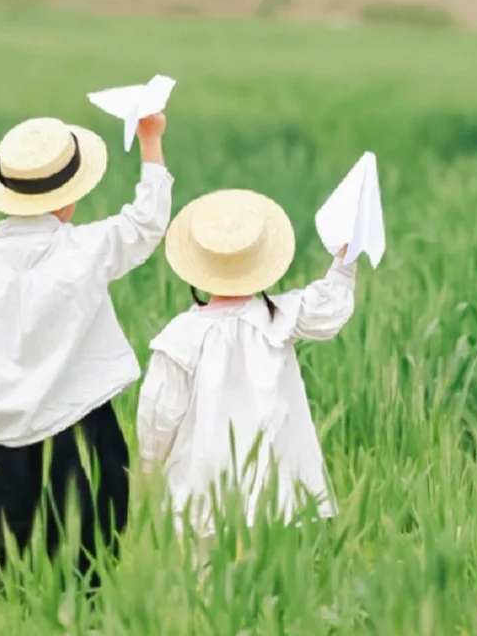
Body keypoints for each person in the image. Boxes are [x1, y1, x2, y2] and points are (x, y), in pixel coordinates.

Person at [0, 110, 172, 586]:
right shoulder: (86, 248)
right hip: (83, 429)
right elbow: (146, 223)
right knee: (90, 563)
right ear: (69, 200)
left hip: (8, 441)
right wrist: (150, 139)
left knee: (5, 568)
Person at [136, 188, 355, 536]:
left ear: (199, 267)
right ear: (260, 263)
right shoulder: (278, 317)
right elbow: (330, 304)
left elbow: (159, 413)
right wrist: (345, 256)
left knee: (204, 563)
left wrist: (149, 466)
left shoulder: (181, 335)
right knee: (271, 562)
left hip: (202, 481)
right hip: (274, 484)